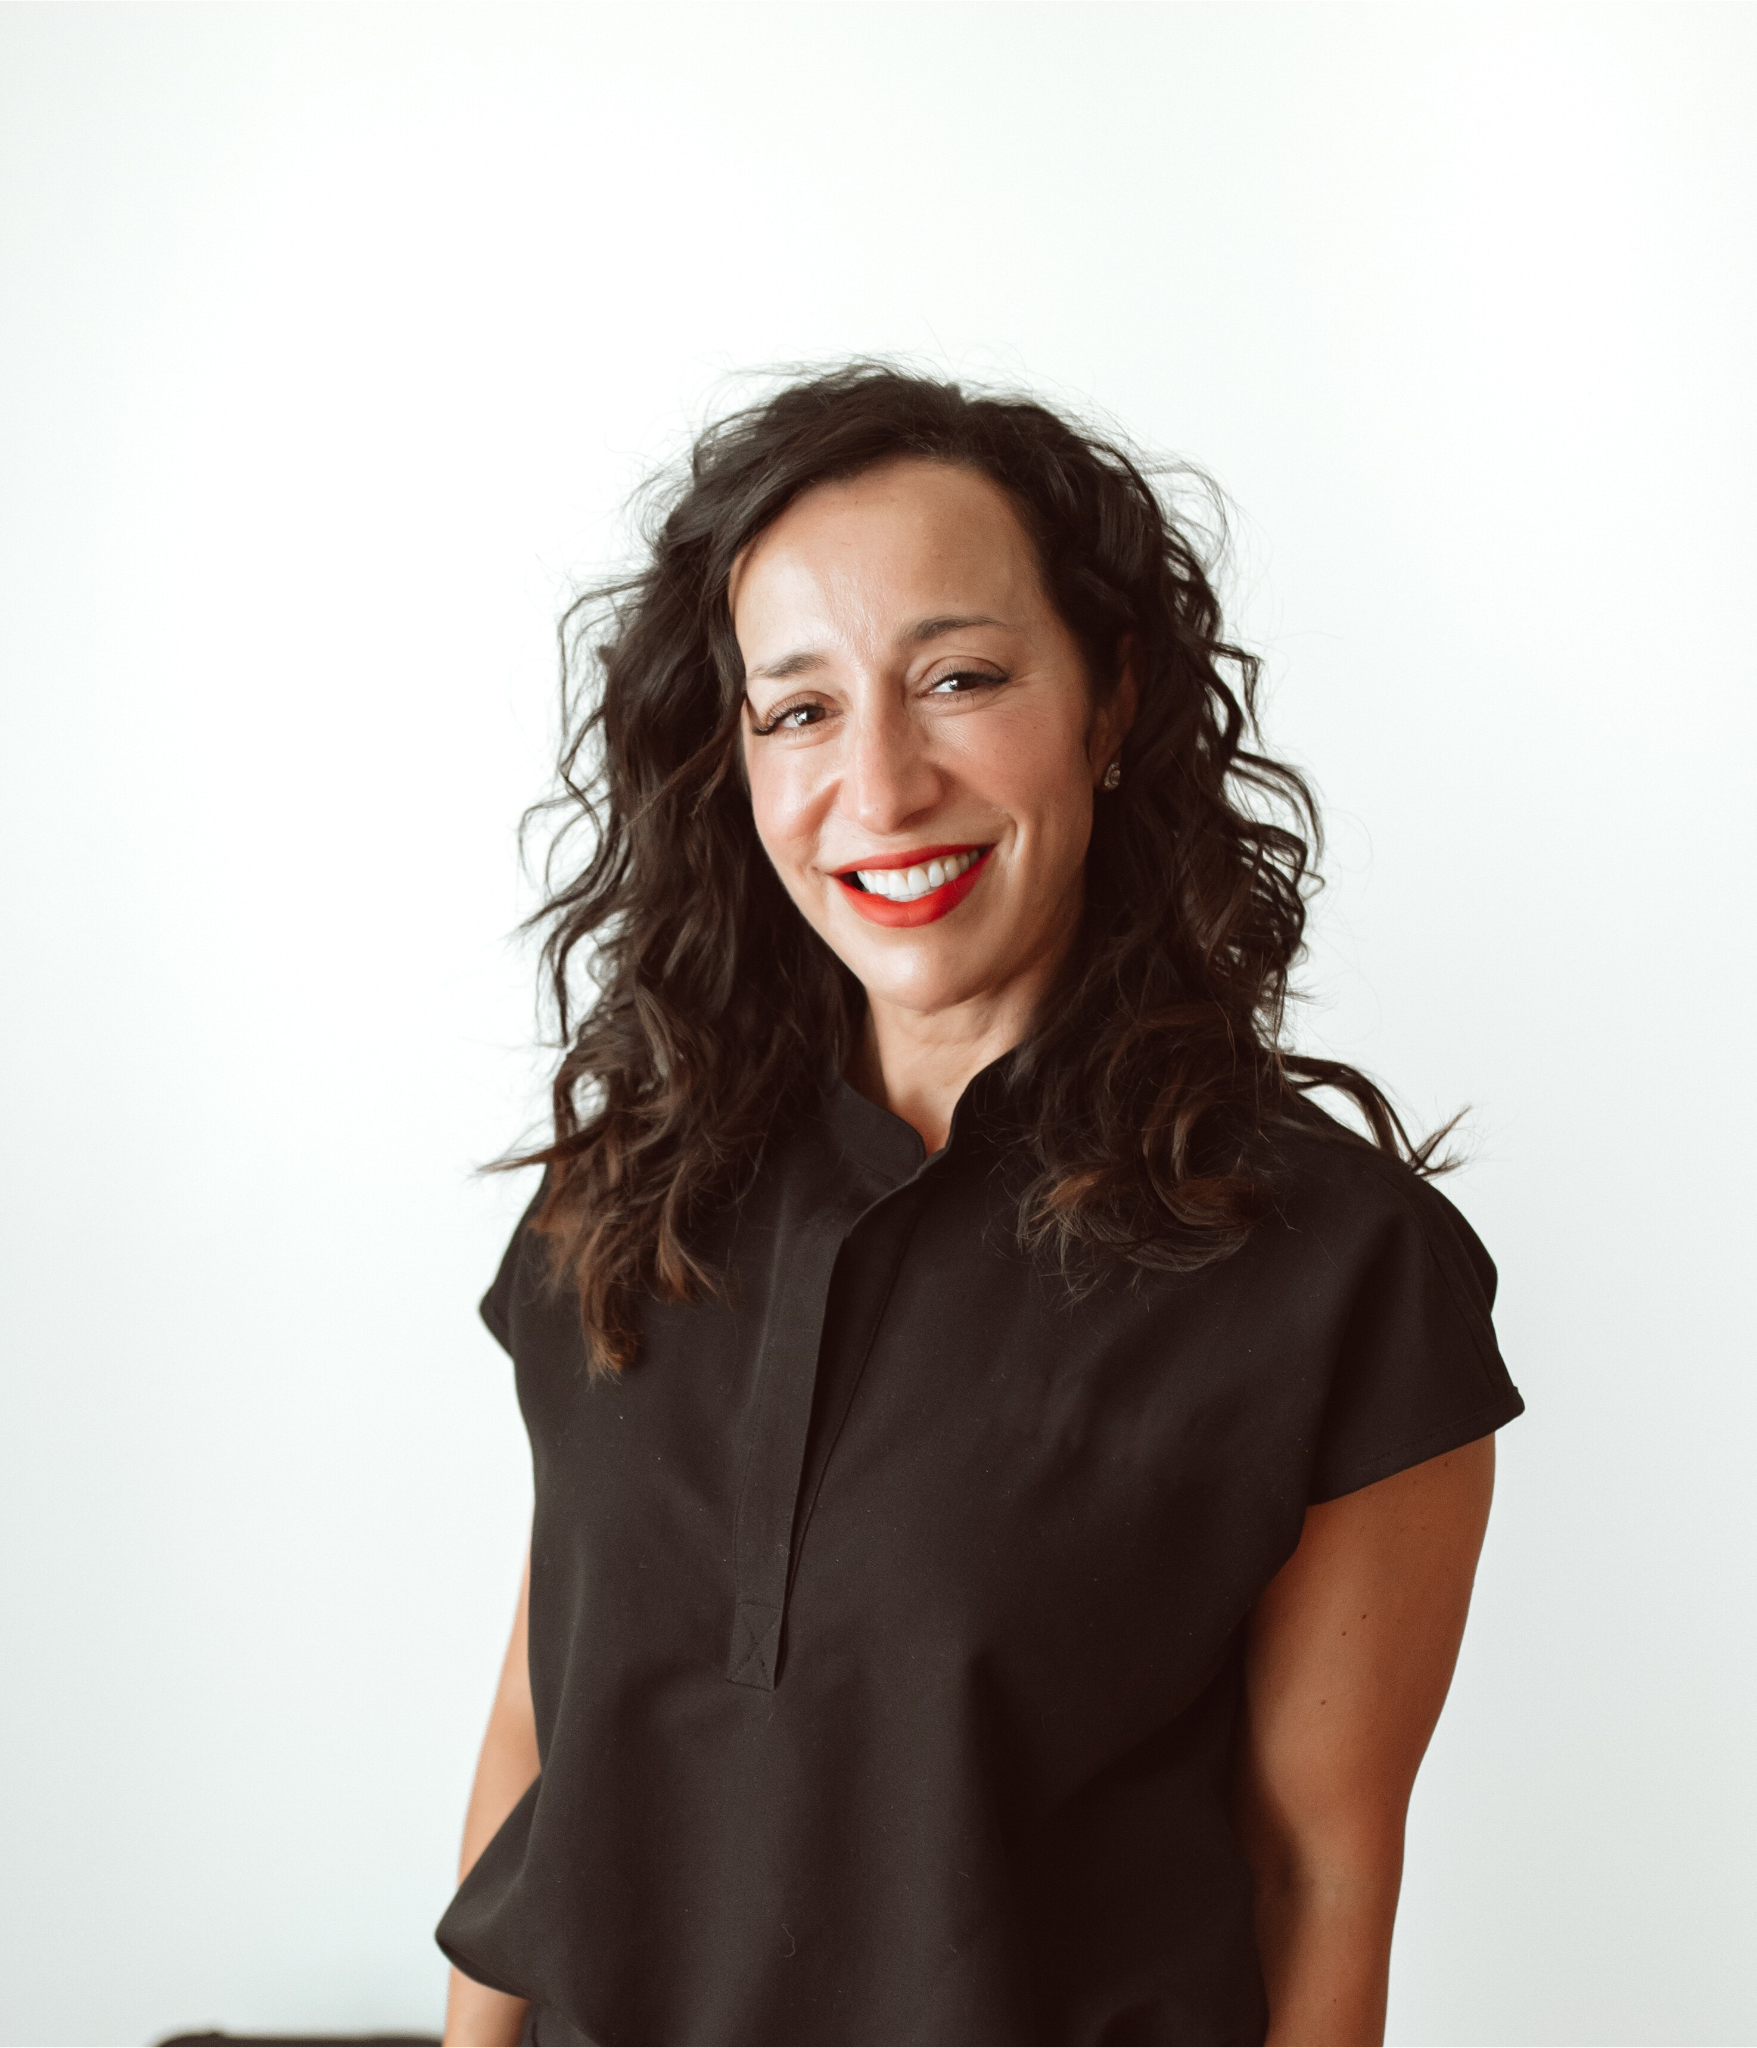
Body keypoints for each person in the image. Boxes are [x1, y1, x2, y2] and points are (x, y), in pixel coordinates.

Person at [435, 366, 1524, 2048]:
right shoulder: (622, 1201)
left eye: (957, 679)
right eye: (796, 708)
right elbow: (540, 1734)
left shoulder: (1337, 1270)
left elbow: (1319, 1870)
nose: (877, 787)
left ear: (1109, 702)